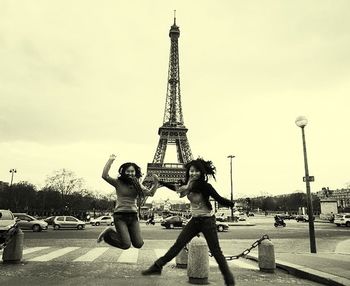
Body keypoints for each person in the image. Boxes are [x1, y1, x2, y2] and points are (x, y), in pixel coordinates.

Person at [142, 158, 235, 286]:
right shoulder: (187, 185)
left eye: (197, 171)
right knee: (178, 244)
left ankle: (228, 277)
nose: (194, 173)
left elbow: (218, 198)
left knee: (215, 250)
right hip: (195, 220)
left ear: (201, 173)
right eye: (191, 171)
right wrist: (161, 182)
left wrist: (231, 204)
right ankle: (157, 266)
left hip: (207, 220)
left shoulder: (204, 186)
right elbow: (177, 188)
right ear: (188, 172)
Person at [97, 154, 160, 249]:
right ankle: (108, 233)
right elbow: (104, 176)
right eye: (128, 171)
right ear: (123, 172)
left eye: (132, 171)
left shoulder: (137, 185)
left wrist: (156, 183)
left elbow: (150, 193)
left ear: (135, 172)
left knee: (139, 244)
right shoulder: (118, 182)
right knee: (126, 245)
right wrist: (110, 160)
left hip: (133, 216)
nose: (130, 173)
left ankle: (125, 234)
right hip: (120, 216)